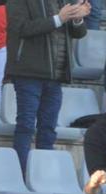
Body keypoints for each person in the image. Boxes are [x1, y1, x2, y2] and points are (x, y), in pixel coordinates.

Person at [5, 0, 88, 172]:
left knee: (48, 130)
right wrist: (59, 18)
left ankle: (42, 175)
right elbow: (20, 28)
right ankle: (19, 175)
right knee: (26, 126)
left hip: (55, 76)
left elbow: (78, 33)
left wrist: (77, 19)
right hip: (29, 73)